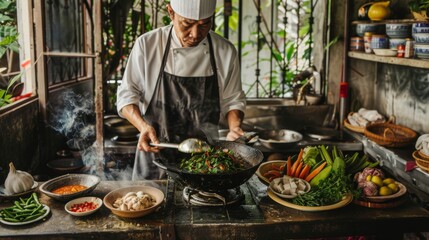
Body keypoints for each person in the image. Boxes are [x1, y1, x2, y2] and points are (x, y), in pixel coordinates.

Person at [116, 0, 246, 180]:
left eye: (204, 24)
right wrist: (142, 126)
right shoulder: (148, 44)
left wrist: (235, 127)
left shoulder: (224, 51)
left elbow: (233, 99)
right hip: (156, 154)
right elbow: (126, 96)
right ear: (171, 12)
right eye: (187, 23)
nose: (195, 34)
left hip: (206, 162)